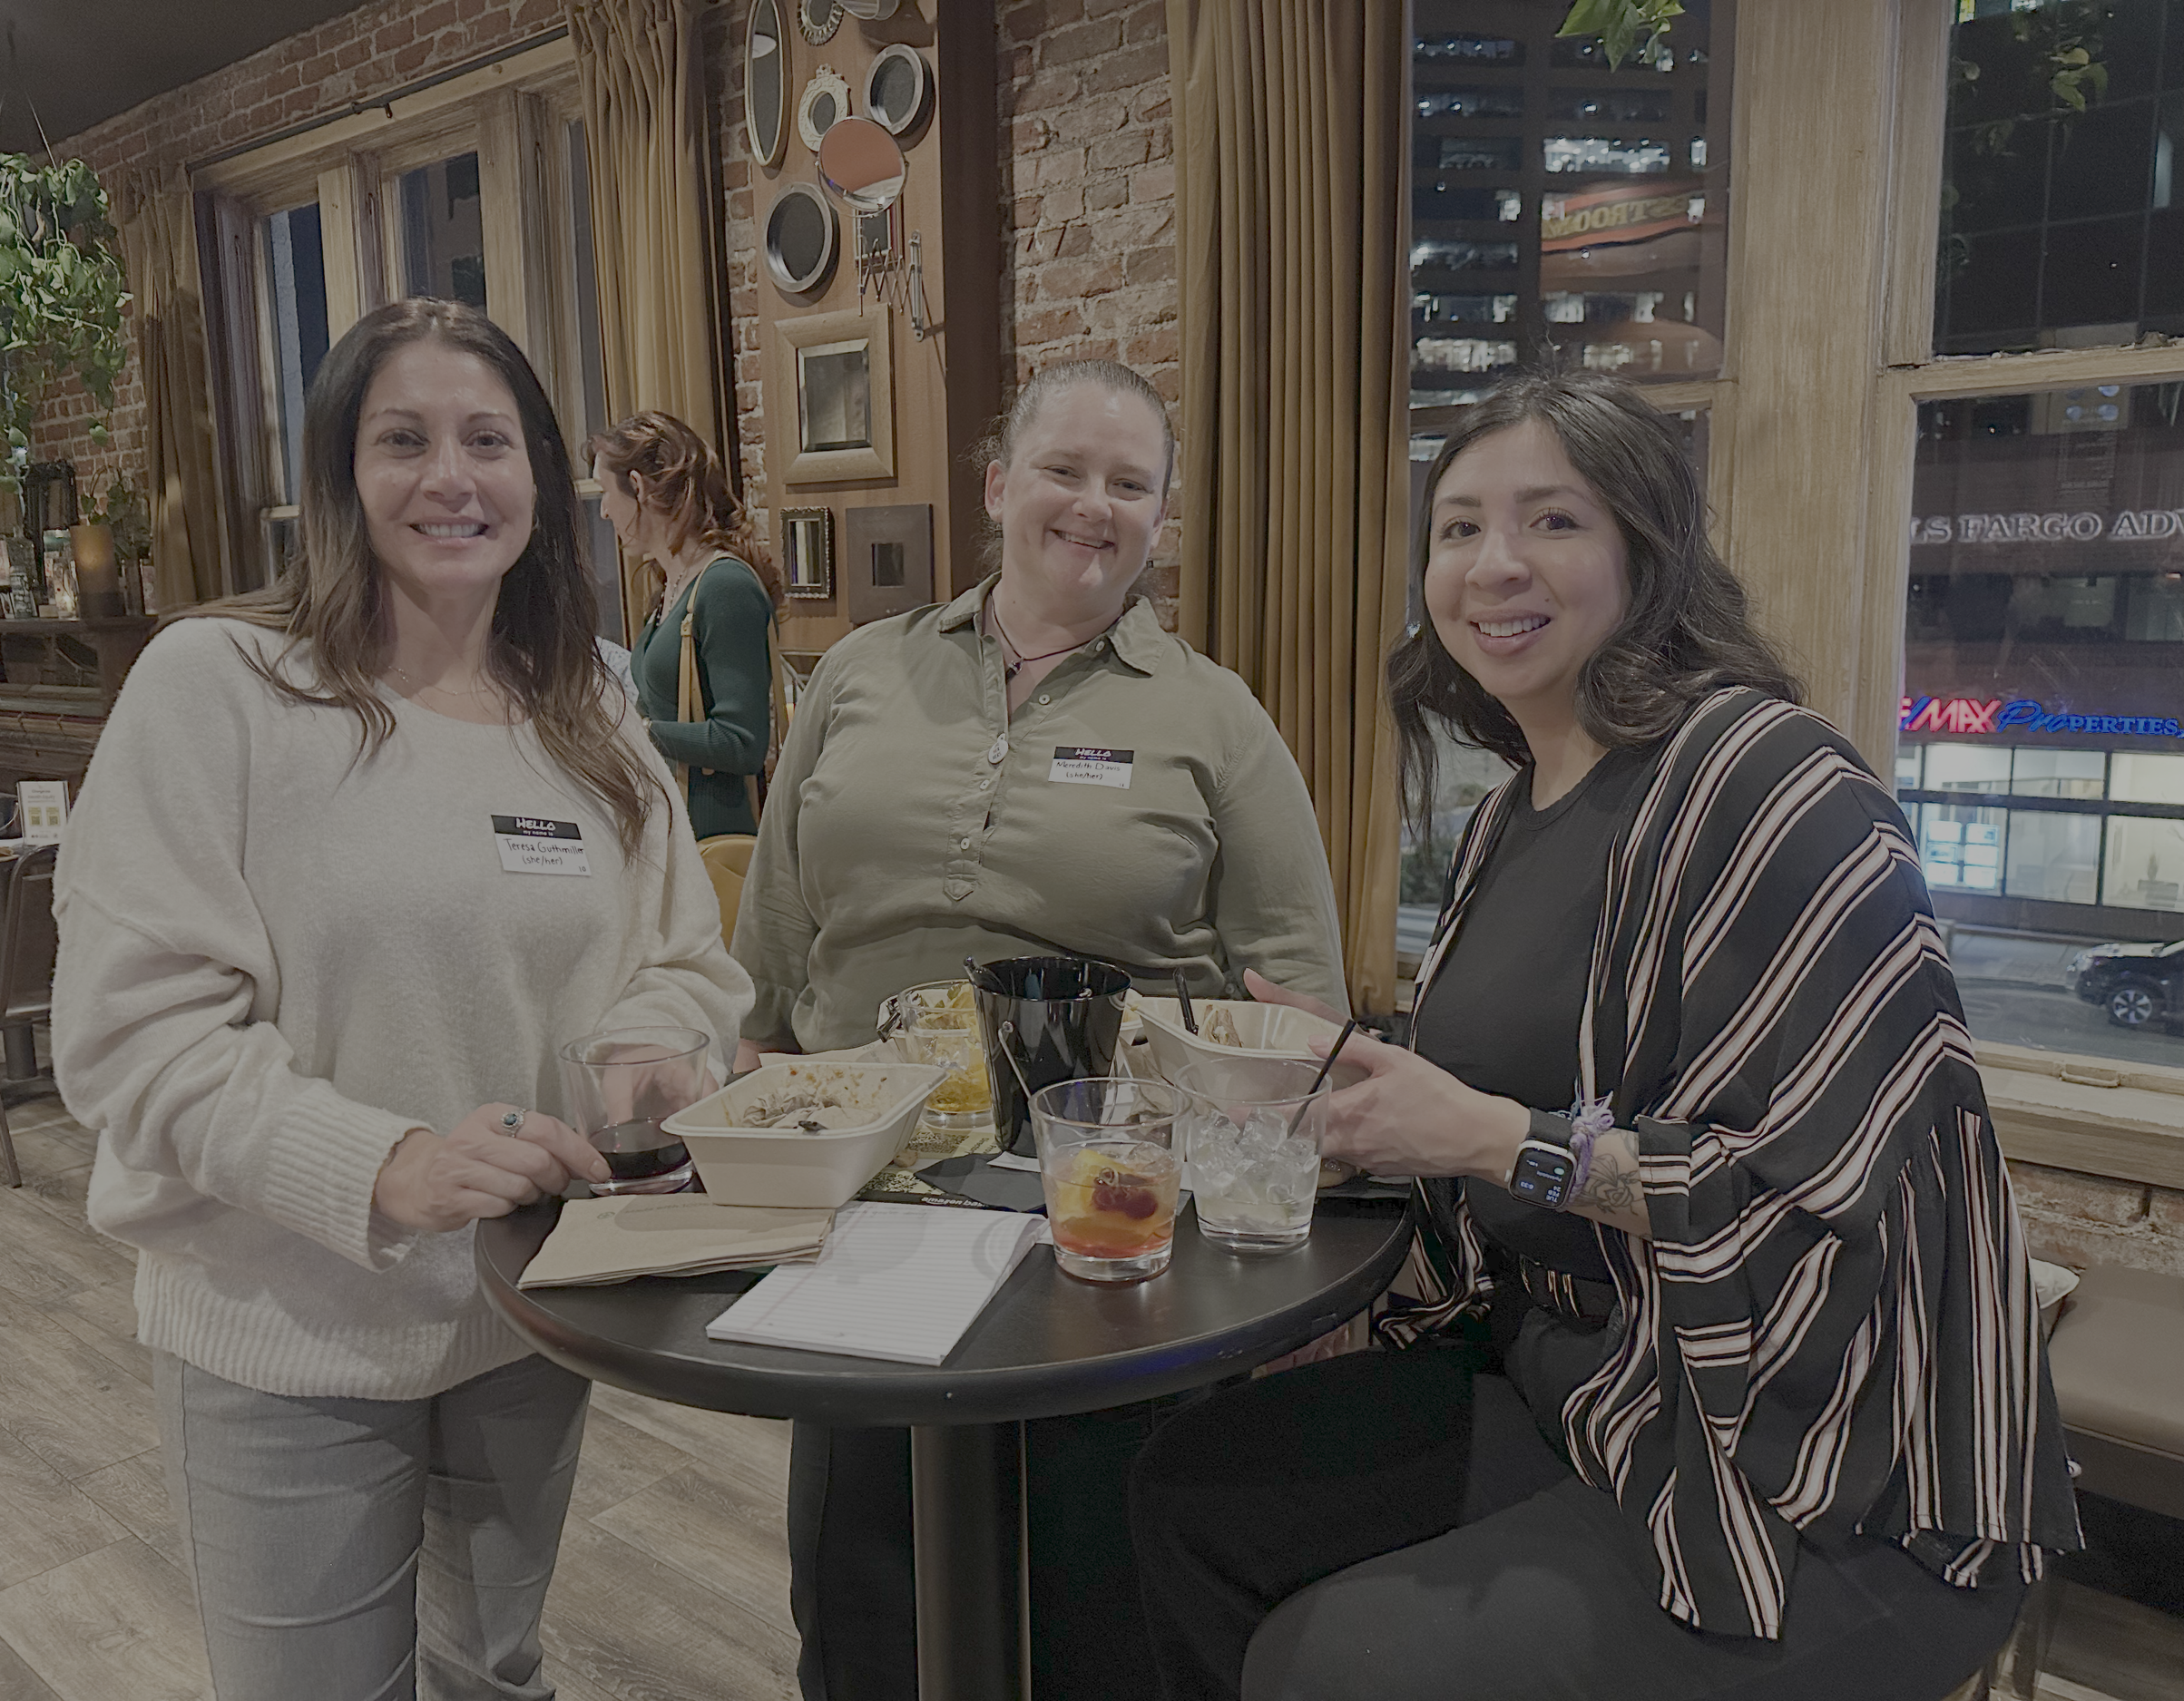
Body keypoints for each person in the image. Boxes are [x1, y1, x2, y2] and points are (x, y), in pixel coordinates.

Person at [1128, 369, 2081, 1701]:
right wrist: (1353, 1077)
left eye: (1553, 521)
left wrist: (1483, 1135)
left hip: (1823, 1465)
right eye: (1457, 528)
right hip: (1589, 1384)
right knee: (1184, 1490)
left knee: (1335, 1659)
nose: (1493, 563)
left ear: (1648, 548)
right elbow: (1517, 1077)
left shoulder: (1771, 780)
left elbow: (1819, 1198)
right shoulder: (1506, 815)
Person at [51, 298, 751, 1701]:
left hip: (529, 1313)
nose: (453, 476)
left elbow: (680, 956)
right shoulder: (222, 687)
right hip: (286, 1322)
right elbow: (134, 1033)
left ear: (542, 479)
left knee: (493, 1672)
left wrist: (648, 1056)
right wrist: (382, 1161)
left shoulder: (589, 708)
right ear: (338, 474)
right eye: (405, 439)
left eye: (489, 438)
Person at [731, 357, 1348, 1700]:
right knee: (861, 1589)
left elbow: (1299, 999)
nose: (1094, 504)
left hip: (1109, 1208)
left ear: (1161, 517)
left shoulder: (1213, 717)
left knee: (1095, 1597)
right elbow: (773, 944)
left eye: (1131, 483)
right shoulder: (858, 672)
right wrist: (742, 1131)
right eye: (1065, 469)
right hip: (865, 1193)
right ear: (1000, 482)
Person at [590, 410, 782, 839]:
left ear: (637, 487)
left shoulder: (724, 587)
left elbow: (742, 742)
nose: (603, 511)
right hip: (674, 830)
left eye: (605, 491)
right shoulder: (671, 586)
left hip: (711, 840)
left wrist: (632, 732)